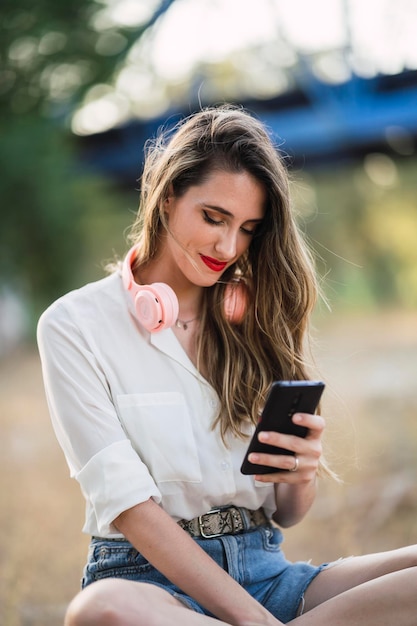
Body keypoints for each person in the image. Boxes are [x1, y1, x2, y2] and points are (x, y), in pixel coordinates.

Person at [37, 105, 417, 626]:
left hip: (269, 574)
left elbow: (285, 513)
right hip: (150, 586)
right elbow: (130, 509)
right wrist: (256, 622)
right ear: (168, 196)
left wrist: (301, 473)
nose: (227, 246)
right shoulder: (74, 324)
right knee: (101, 610)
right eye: (213, 218)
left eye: (247, 229)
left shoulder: (258, 320)